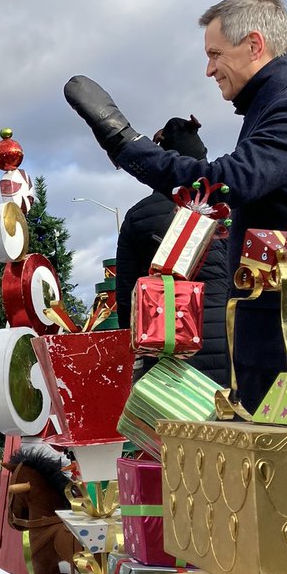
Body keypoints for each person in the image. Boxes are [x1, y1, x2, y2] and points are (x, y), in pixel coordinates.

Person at [64, 0, 287, 410]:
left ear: (254, 45)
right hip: (286, 335)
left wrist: (123, 140)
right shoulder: (285, 100)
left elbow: (223, 184)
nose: (209, 69)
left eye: (215, 54)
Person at [115, 114, 230, 386]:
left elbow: (127, 297)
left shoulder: (138, 216)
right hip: (231, 343)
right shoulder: (227, 211)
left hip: (167, 348)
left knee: (175, 414)